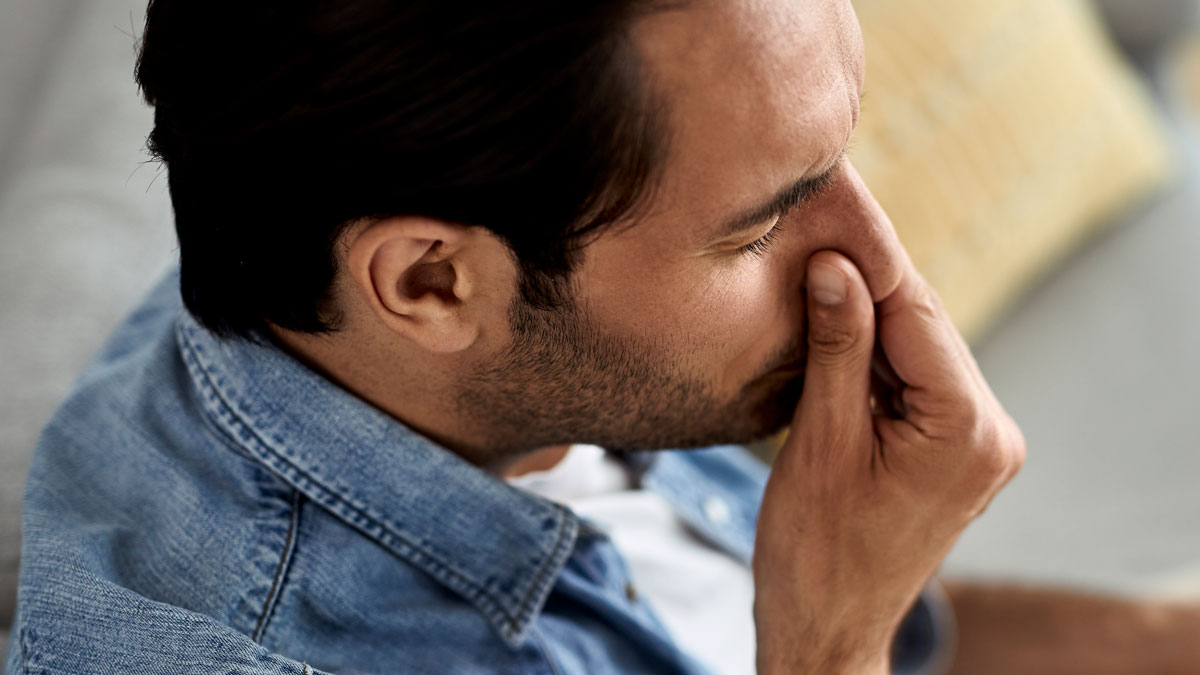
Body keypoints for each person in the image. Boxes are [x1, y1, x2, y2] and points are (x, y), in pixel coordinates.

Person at [6, 0, 1199, 673]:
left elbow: (918, 643)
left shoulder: (513, 364)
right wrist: (831, 642)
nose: (878, 273)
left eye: (840, 161)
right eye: (759, 227)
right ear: (430, 282)